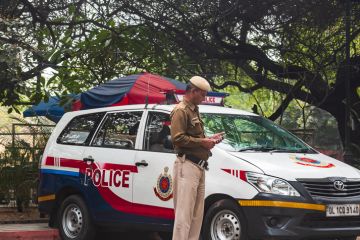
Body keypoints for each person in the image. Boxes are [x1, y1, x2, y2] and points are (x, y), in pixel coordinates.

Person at [170, 76, 224, 240]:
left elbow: (194, 137)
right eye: (202, 94)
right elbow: (177, 138)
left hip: (199, 166)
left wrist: (209, 140)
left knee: (196, 217)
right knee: (183, 217)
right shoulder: (181, 110)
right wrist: (203, 142)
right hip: (186, 165)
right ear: (193, 91)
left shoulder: (193, 109)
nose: (204, 98)